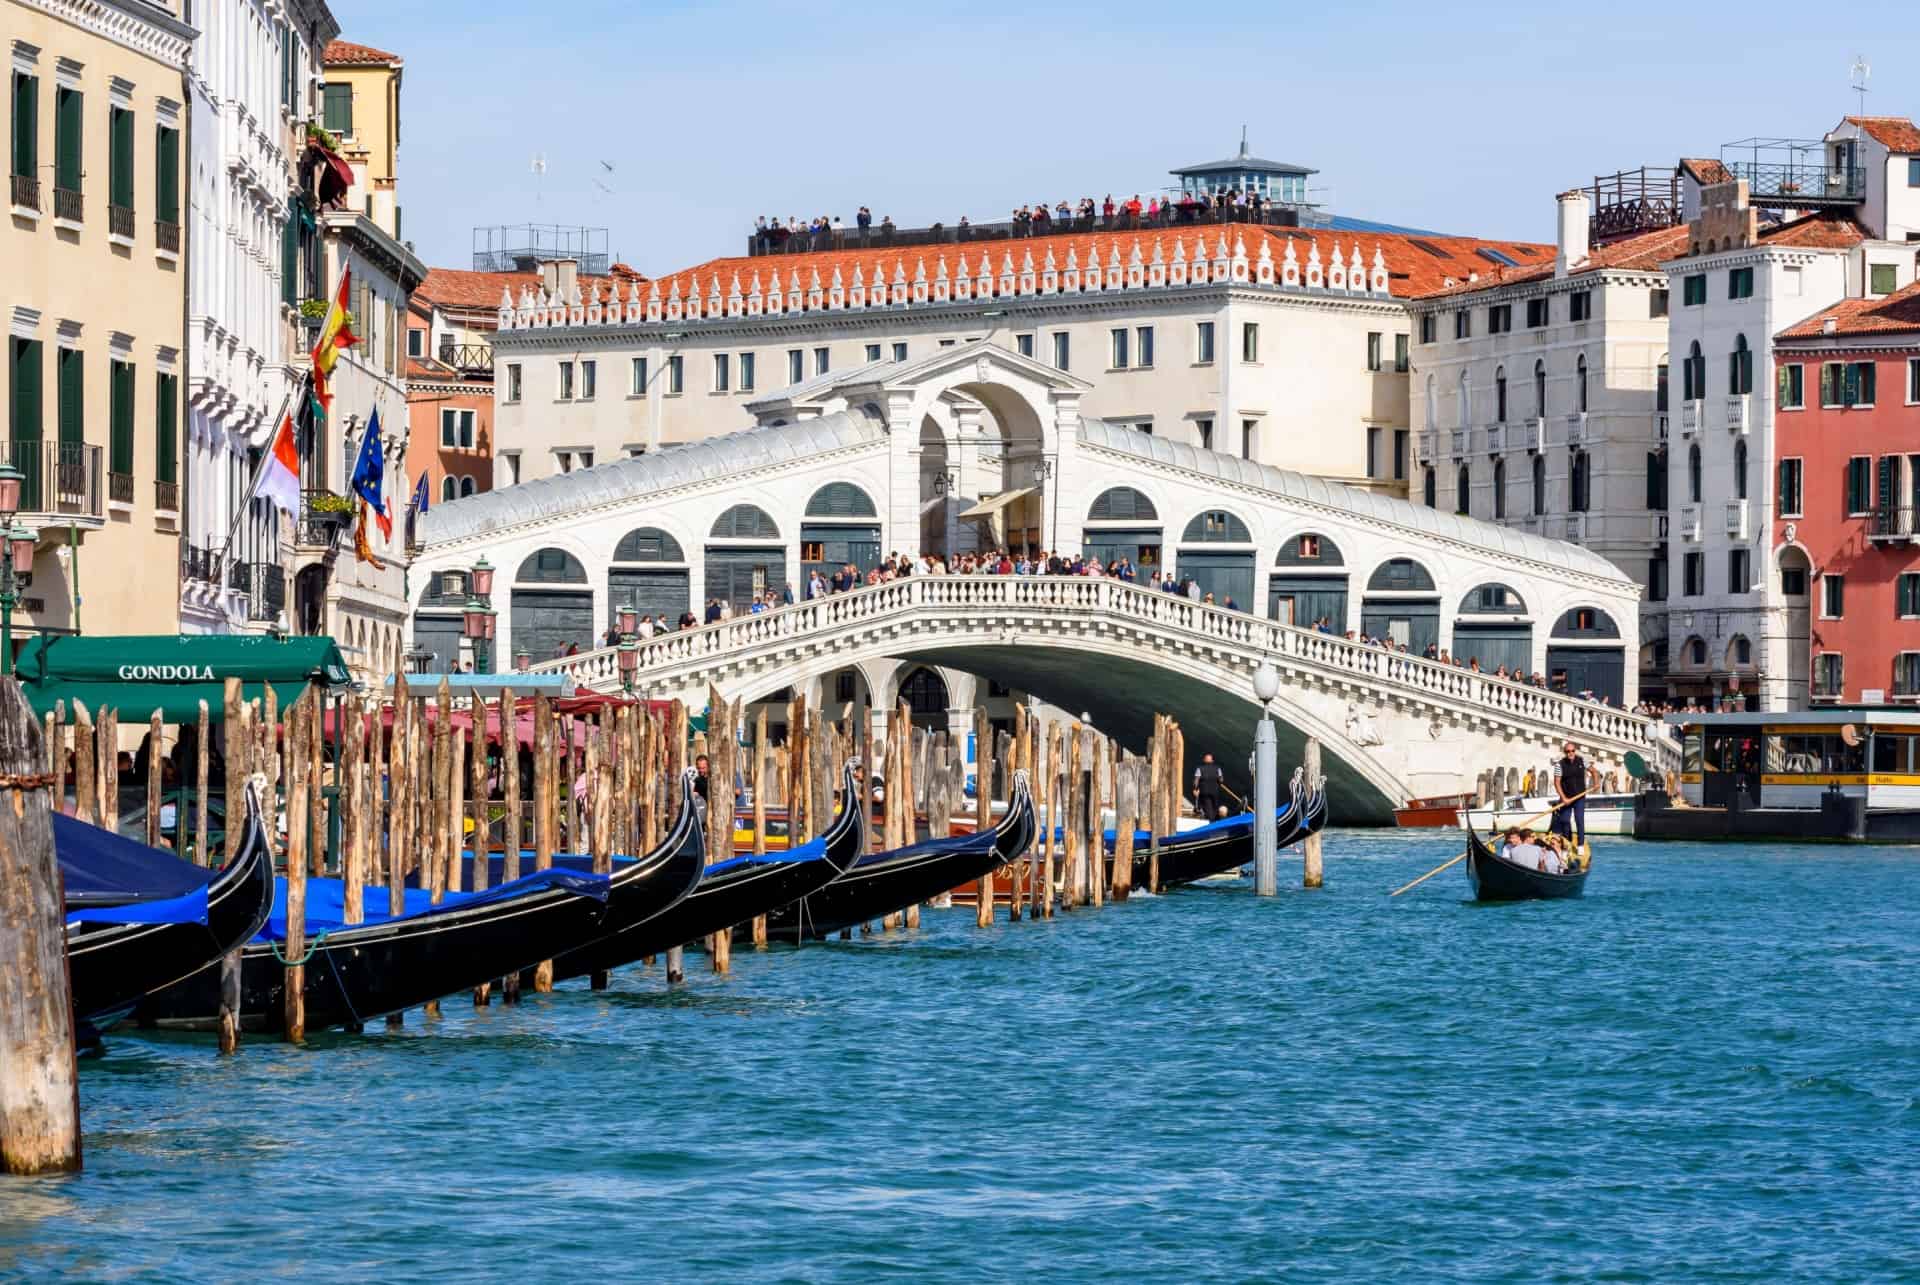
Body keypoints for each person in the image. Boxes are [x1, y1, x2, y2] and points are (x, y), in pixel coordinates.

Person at [1550, 740, 1588, 845]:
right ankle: (1566, 844)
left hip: (1580, 796)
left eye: (1572, 751)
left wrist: (1597, 782)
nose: (1570, 753)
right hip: (1566, 797)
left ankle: (1580, 845)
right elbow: (1557, 783)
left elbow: (1594, 771)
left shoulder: (1582, 761)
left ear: (1575, 751)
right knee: (1565, 820)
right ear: (1564, 752)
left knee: (1579, 820)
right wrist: (1563, 798)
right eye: (1567, 751)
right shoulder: (1559, 765)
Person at [1192, 752, 1224, 820]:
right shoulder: (1218, 768)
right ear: (1212, 761)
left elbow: (1196, 780)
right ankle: (1215, 820)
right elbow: (1221, 780)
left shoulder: (1199, 768)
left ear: (1204, 760)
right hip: (1215, 792)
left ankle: (1210, 821)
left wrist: (1195, 789)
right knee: (1215, 807)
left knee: (1207, 808)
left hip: (1204, 792)